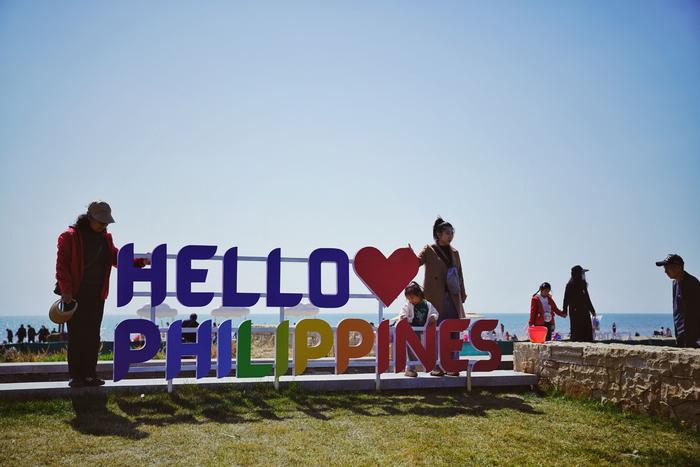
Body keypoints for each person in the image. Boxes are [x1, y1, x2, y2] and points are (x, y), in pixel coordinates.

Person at [55, 201, 150, 388]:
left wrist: (138, 262)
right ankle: (76, 376)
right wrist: (66, 291)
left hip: (97, 294)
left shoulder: (105, 239)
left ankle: (90, 375)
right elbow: (62, 266)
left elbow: (117, 257)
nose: (104, 225)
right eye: (101, 221)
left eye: (106, 222)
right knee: (76, 336)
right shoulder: (69, 237)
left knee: (93, 335)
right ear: (89, 217)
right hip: (74, 295)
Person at [411, 217, 467, 377]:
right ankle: (437, 366)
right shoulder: (429, 250)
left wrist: (462, 293)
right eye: (447, 233)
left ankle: (453, 365)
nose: (450, 235)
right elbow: (417, 262)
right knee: (436, 333)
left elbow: (460, 274)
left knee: (453, 332)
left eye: (452, 233)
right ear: (438, 234)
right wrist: (409, 256)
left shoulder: (455, 252)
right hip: (435, 298)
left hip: (453, 297)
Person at [655, 254, 700, 348]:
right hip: (680, 336)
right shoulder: (675, 283)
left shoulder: (692, 283)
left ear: (678, 268)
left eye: (667, 268)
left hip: (693, 338)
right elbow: (677, 311)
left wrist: (692, 338)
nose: (665, 271)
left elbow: (693, 313)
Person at [396, 281, 438, 377]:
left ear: (419, 295)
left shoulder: (428, 304)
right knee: (411, 349)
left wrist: (433, 317)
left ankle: (434, 367)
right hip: (413, 331)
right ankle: (410, 369)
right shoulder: (408, 305)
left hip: (426, 330)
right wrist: (403, 317)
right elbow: (403, 312)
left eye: (412, 297)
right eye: (408, 298)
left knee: (431, 348)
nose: (410, 300)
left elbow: (435, 313)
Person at [563, 265, 597, 342]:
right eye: (582, 273)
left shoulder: (583, 284)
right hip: (575, 311)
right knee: (576, 330)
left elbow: (587, 298)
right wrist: (565, 311)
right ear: (577, 274)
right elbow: (566, 299)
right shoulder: (570, 285)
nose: (583, 275)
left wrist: (592, 310)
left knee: (586, 329)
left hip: (585, 310)